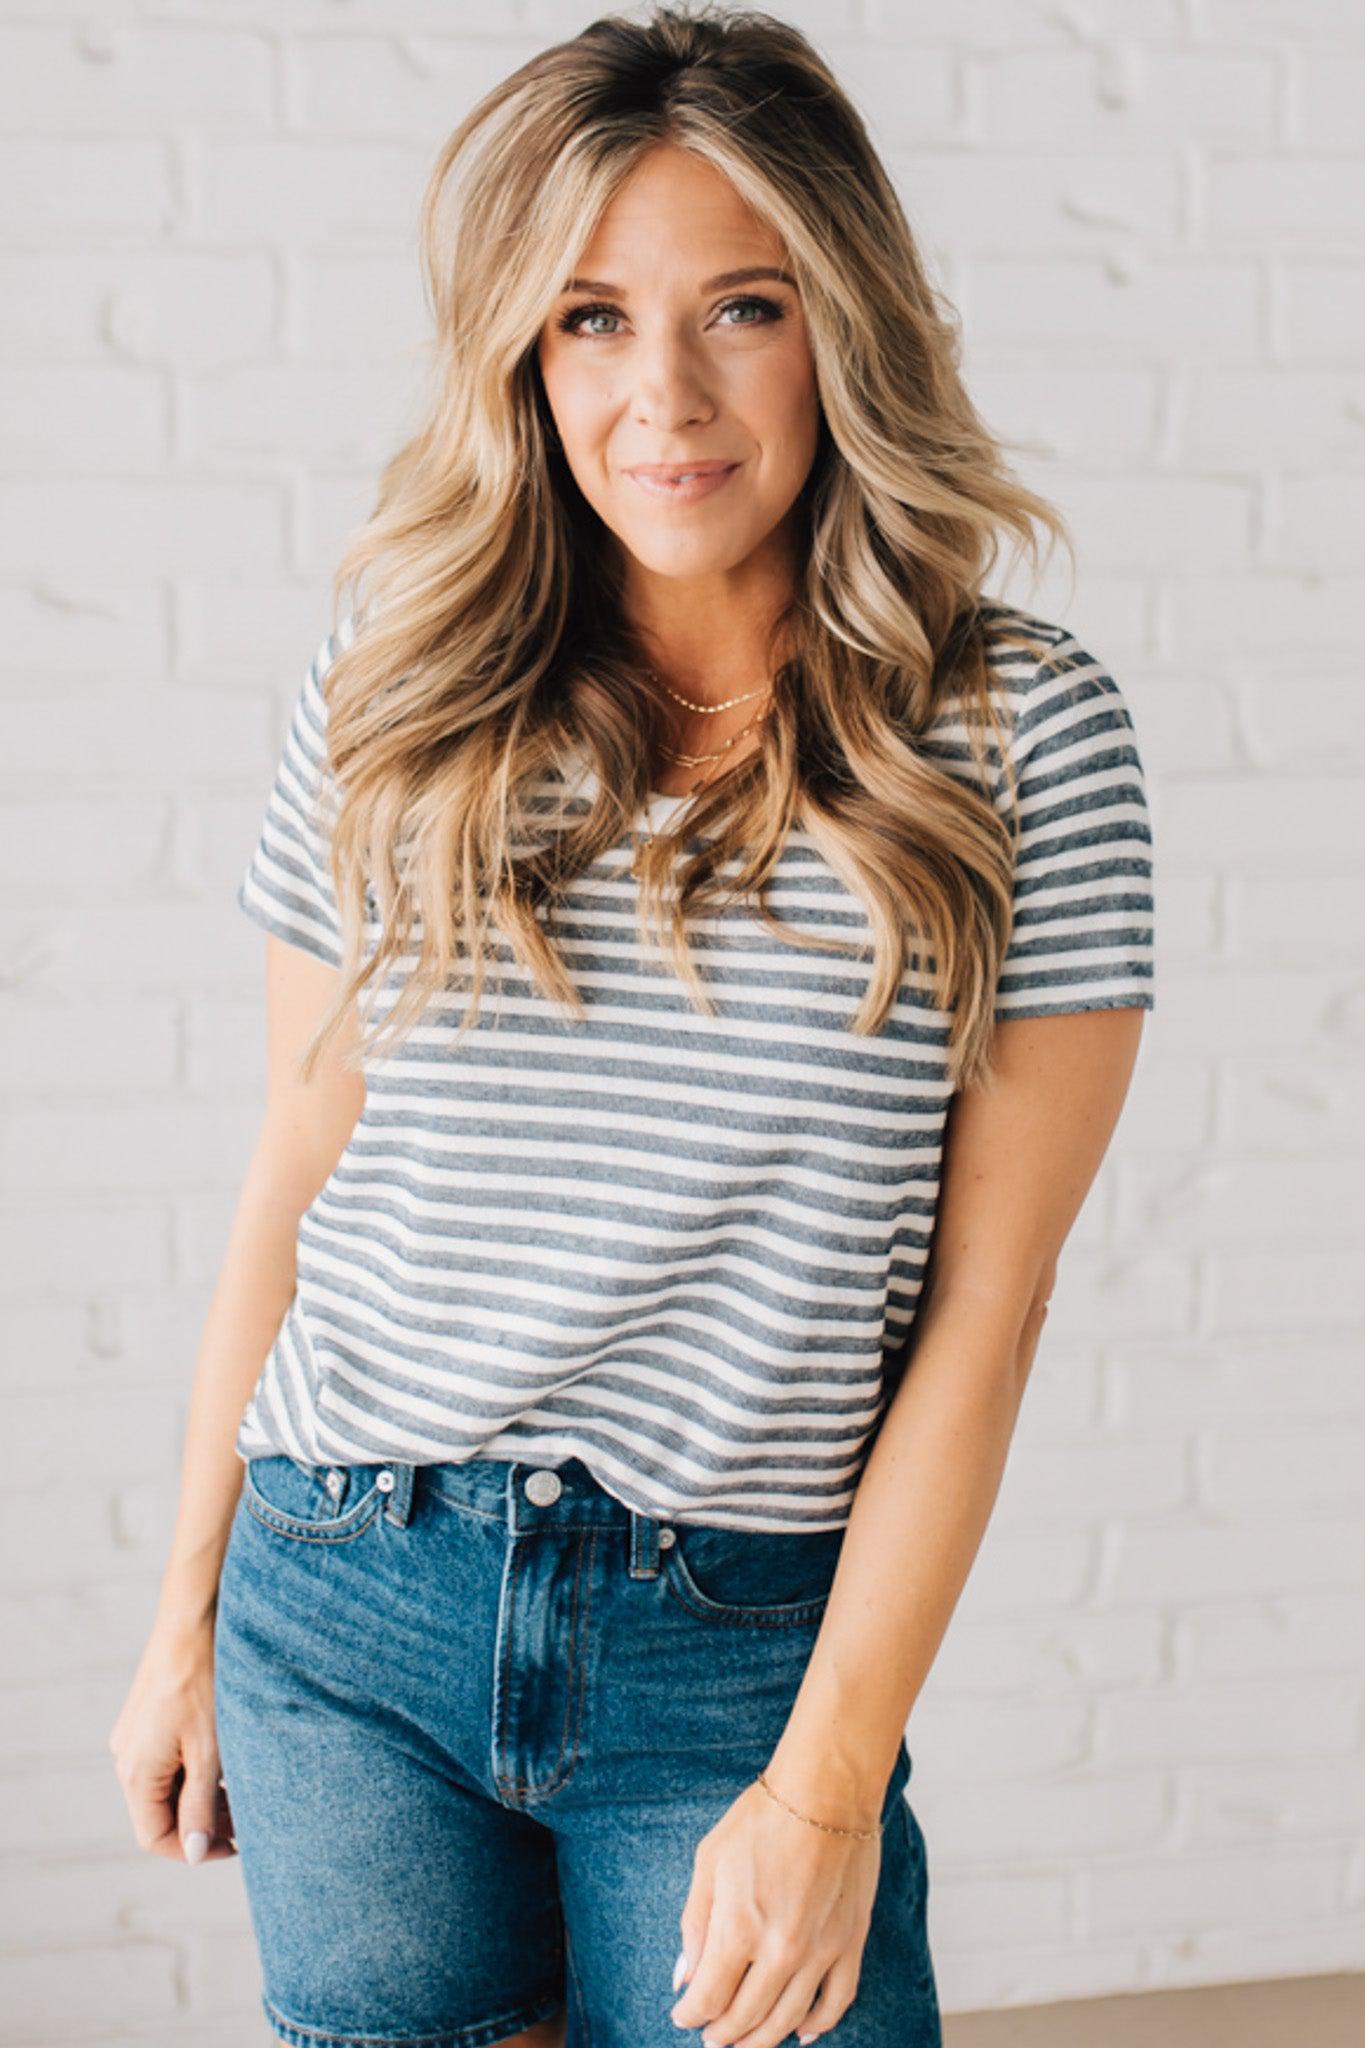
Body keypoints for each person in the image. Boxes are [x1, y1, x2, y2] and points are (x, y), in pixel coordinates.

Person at [106, 8, 1156, 2047]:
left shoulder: (1016, 735)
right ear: (520, 352)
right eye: (588, 319)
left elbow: (984, 1308)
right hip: (341, 1596)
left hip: (734, 1643)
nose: (660, 395)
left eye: (736, 308)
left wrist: (829, 1778)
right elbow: (296, 1177)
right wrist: (177, 1629)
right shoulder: (396, 681)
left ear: (836, 325)